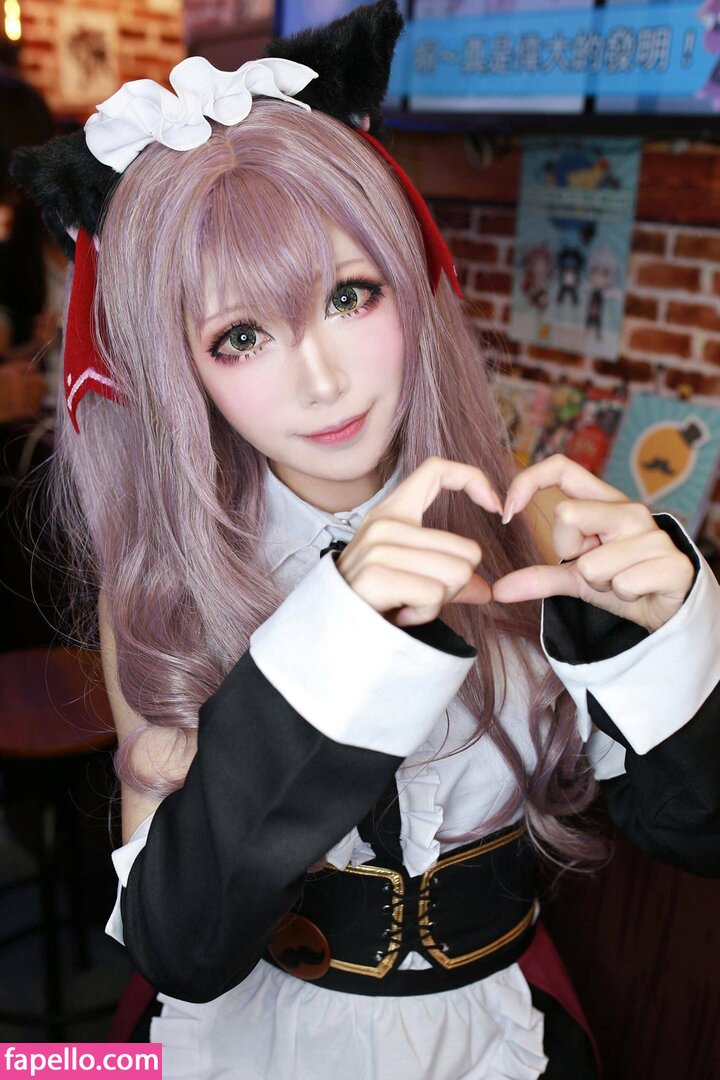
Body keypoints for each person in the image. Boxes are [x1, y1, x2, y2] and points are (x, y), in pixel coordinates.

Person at [13, 3, 720, 1077]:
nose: (322, 380)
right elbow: (180, 943)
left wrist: (677, 638)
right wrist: (333, 646)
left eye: (350, 295)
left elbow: (698, 829)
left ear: (409, 284)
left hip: (497, 1026)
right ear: (181, 369)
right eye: (240, 335)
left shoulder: (532, 525)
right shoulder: (163, 588)